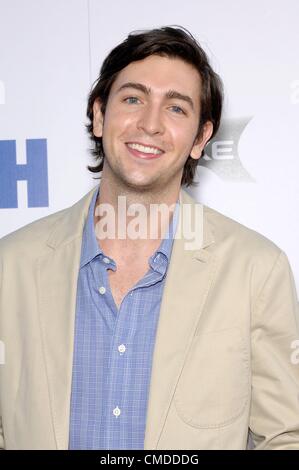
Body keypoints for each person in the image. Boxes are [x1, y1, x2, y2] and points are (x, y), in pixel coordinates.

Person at [0, 26, 298, 450]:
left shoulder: (255, 271)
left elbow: (286, 437)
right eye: (133, 99)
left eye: (176, 108)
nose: (150, 124)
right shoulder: (11, 266)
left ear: (200, 138)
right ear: (100, 114)